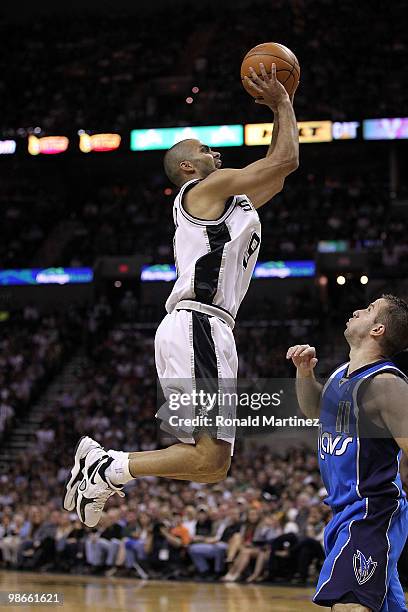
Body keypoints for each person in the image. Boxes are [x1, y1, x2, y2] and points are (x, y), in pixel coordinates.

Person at [63, 62, 299, 528]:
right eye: (203, 149)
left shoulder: (231, 202)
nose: (214, 151)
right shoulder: (202, 189)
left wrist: (280, 111)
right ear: (188, 167)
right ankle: (107, 467)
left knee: (210, 464)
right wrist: (283, 102)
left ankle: (108, 465)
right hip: (198, 324)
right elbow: (284, 161)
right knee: (210, 459)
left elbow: (279, 172)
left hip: (205, 328)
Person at [287, 294, 408, 611]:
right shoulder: (342, 373)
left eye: (369, 310)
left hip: (372, 512)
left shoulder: (386, 384)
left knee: (349, 604)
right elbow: (314, 411)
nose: (357, 310)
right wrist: (304, 372)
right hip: (343, 513)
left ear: (378, 329)